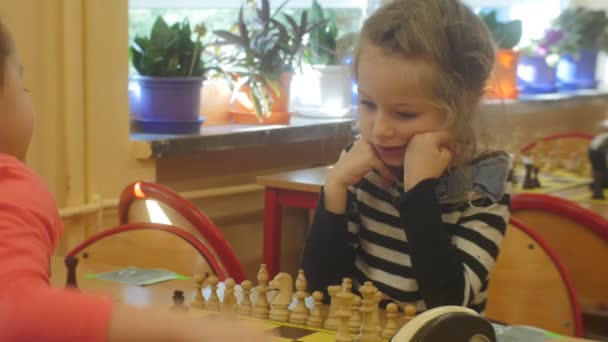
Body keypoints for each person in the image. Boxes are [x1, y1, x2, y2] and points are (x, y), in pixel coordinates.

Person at [0, 18, 267, 342]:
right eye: (22, 85)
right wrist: (186, 330)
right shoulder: (11, 185)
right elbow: (16, 313)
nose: (29, 99)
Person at [301, 0, 511, 314]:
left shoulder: (483, 179)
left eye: (405, 113)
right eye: (368, 104)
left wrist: (418, 191)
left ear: (464, 107)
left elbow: (450, 304)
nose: (381, 130)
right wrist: (333, 190)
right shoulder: (361, 164)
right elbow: (319, 294)